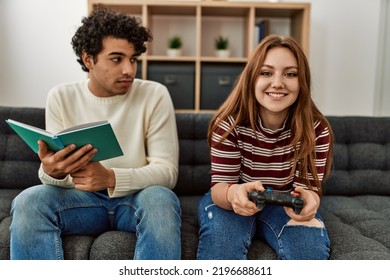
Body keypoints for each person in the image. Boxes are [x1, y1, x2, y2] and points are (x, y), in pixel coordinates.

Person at [10, 8, 181, 260]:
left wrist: (111, 178)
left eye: (133, 59)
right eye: (116, 59)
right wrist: (51, 172)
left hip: (136, 200)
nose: (129, 70)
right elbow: (56, 172)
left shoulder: (154, 94)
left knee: (161, 199)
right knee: (29, 200)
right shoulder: (61, 96)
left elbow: (167, 172)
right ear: (88, 59)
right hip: (80, 203)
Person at [197, 35, 334, 260]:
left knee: (308, 252)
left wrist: (312, 200)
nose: (278, 83)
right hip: (233, 202)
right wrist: (233, 194)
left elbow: (308, 190)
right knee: (222, 247)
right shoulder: (229, 126)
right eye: (266, 72)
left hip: (285, 204)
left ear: (302, 82)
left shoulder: (317, 130)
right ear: (252, 78)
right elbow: (220, 189)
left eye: (290, 74)